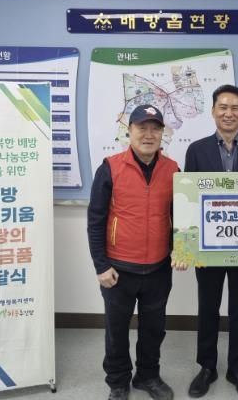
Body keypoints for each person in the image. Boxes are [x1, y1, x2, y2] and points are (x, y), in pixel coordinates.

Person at [183, 85, 238, 400]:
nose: (229, 113)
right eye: (223, 107)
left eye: (235, 108)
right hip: (208, 245)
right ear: (213, 111)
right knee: (208, 307)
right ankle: (207, 367)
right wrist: (188, 246)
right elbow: (189, 198)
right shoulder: (196, 150)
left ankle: (237, 369)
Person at [88, 104, 180, 400]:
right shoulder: (110, 167)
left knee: (154, 330)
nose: (149, 135)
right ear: (129, 131)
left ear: (162, 134)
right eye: (142, 128)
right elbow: (96, 219)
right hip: (118, 269)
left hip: (158, 268)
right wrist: (101, 265)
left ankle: (148, 376)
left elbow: (180, 217)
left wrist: (181, 250)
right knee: (116, 330)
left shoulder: (172, 170)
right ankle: (118, 381)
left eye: (155, 129)